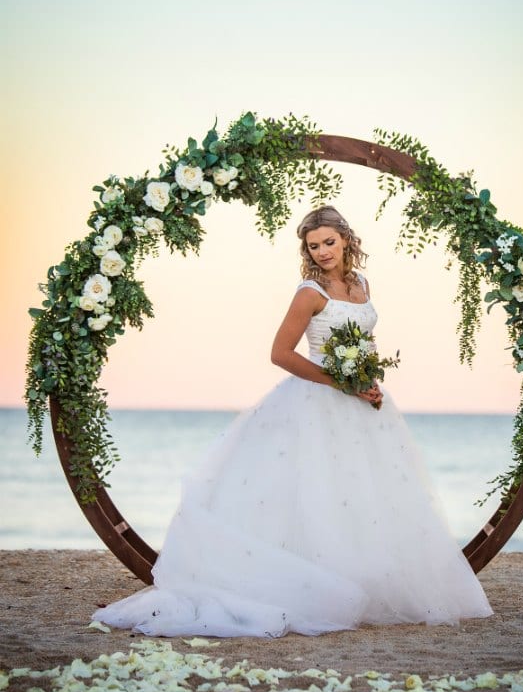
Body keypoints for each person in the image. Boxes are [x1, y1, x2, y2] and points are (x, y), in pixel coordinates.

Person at [93, 206, 492, 637]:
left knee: (363, 498)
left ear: (346, 240)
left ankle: (365, 585)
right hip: (315, 404)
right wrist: (341, 383)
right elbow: (280, 354)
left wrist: (367, 381)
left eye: (329, 242)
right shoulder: (309, 293)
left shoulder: (362, 284)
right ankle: (313, 588)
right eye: (313, 246)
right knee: (313, 496)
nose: (322, 252)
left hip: (363, 403)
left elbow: (365, 344)